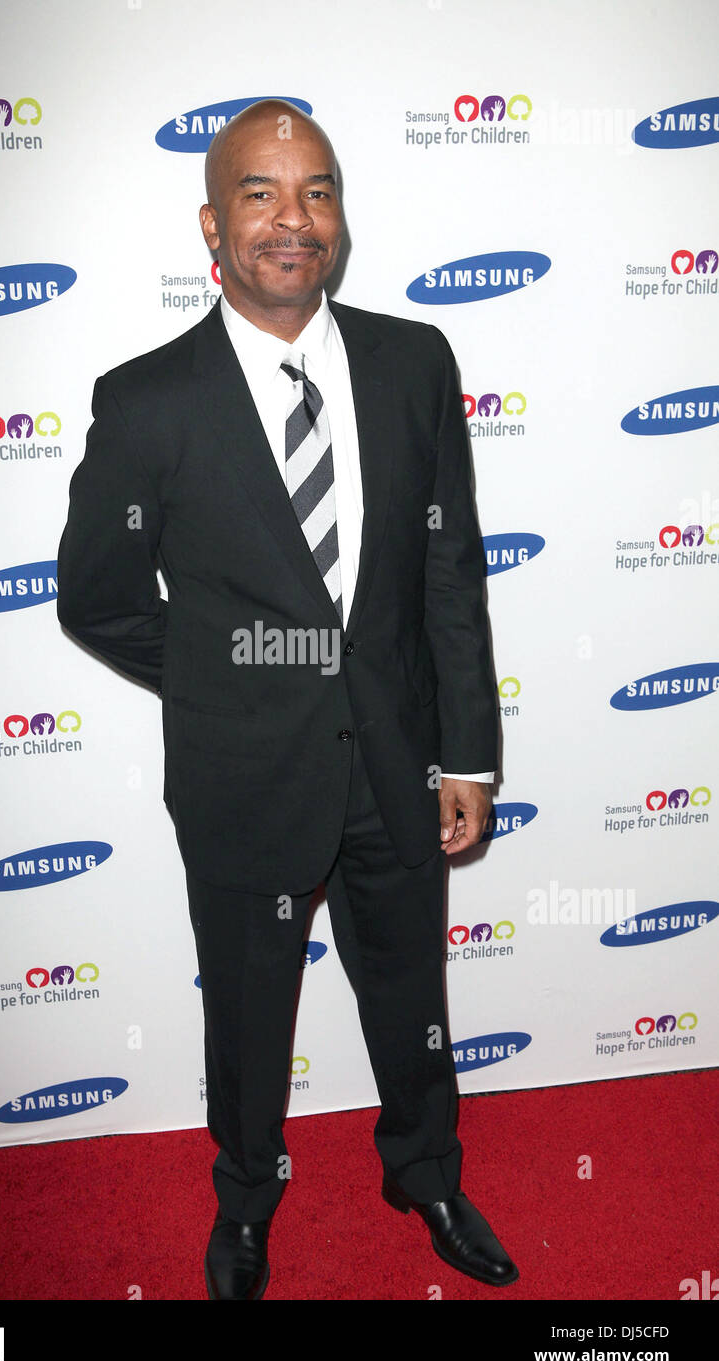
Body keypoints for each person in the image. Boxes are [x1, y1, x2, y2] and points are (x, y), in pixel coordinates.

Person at [56, 99, 518, 1300]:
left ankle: (424, 1175)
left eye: (315, 190)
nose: (291, 219)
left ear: (339, 216)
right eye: (259, 192)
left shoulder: (414, 360)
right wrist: (234, 675)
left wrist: (464, 751)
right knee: (251, 1013)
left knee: (411, 992)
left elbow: (446, 569)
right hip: (244, 772)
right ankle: (247, 1199)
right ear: (211, 223)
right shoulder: (147, 398)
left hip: (399, 763)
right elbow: (97, 598)